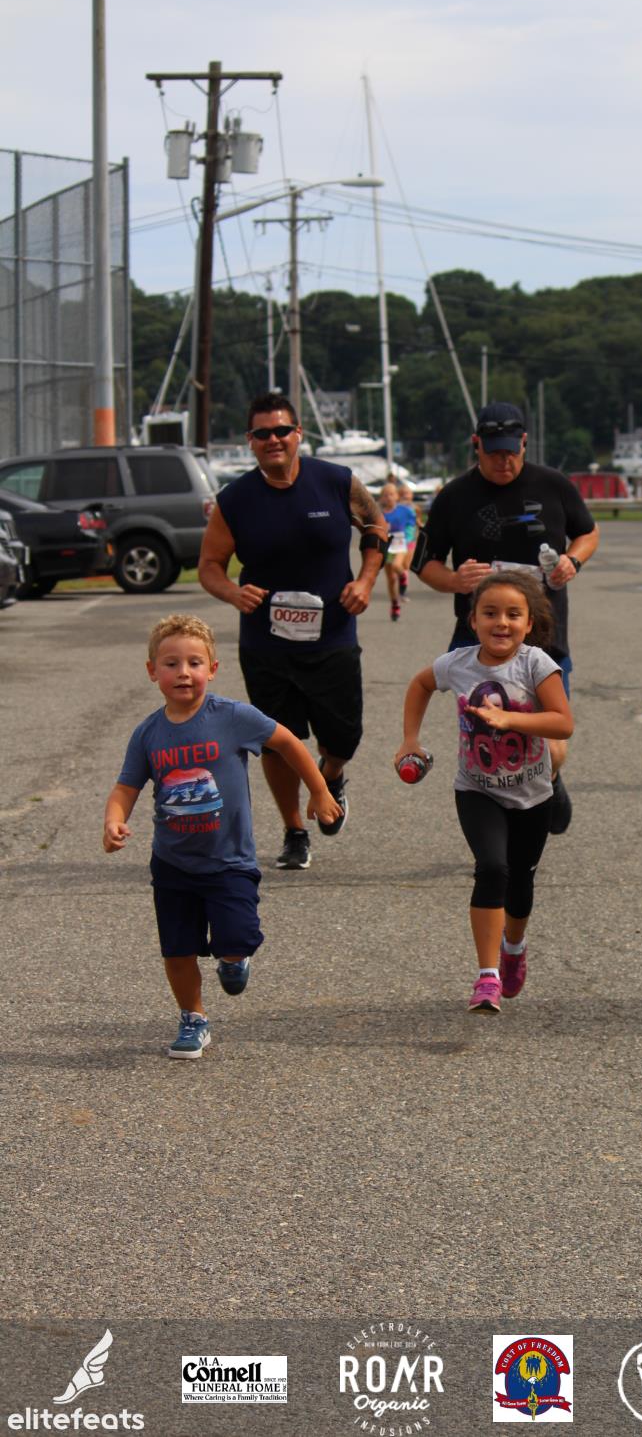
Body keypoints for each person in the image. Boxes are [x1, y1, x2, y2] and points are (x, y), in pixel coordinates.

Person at [102, 614, 339, 1059]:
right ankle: (193, 1018)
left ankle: (234, 958)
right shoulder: (148, 734)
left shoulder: (232, 717)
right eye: (171, 664)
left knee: (237, 936)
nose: (183, 672)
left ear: (212, 669)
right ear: (152, 671)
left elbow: (287, 742)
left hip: (229, 861)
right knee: (177, 950)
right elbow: (126, 787)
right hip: (172, 863)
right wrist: (114, 820)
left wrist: (320, 789)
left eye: (194, 663)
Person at [198, 394, 389, 871]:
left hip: (333, 634)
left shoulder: (336, 481)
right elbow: (209, 566)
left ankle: (331, 776)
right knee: (275, 740)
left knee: (343, 737)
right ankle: (294, 831)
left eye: (282, 430)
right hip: (266, 641)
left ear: (298, 434)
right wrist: (232, 593)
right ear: (250, 441)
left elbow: (376, 526)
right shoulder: (235, 500)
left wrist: (366, 581)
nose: (273, 440)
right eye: (262, 433)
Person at [413, 401, 598, 833]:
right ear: (475, 445)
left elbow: (588, 532)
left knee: (551, 746)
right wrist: (454, 581)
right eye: (493, 452)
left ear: (525, 443)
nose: (503, 461)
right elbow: (423, 563)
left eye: (511, 451)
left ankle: (550, 777)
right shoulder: (454, 496)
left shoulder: (553, 485)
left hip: (544, 637)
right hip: (477, 639)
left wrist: (573, 560)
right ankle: (497, 822)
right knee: (487, 735)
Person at [396, 571, 573, 1012]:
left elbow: (562, 722)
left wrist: (510, 720)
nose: (502, 623)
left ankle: (514, 947)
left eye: (513, 614)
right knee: (492, 868)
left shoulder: (536, 665)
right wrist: (409, 740)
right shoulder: (457, 663)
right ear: (473, 620)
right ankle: (487, 976)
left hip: (532, 793)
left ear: (528, 623)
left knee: (521, 881)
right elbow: (420, 685)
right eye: (490, 613)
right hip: (477, 789)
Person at [378, 481, 412, 622]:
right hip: (387, 546)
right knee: (391, 579)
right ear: (381, 498)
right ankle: (395, 604)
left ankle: (403, 576)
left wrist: (409, 537)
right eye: (385, 495)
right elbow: (374, 530)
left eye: (391, 494)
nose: (389, 497)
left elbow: (411, 524)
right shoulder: (379, 514)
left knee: (397, 565)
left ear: (397, 496)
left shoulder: (404, 510)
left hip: (401, 543)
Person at [396, 481, 421, 598]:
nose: (405, 496)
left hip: (410, 540)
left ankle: (403, 590)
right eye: (403, 494)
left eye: (407, 493)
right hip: (398, 541)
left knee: (406, 565)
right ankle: (401, 580)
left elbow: (418, 522)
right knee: (396, 565)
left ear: (411, 495)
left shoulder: (415, 508)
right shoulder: (396, 508)